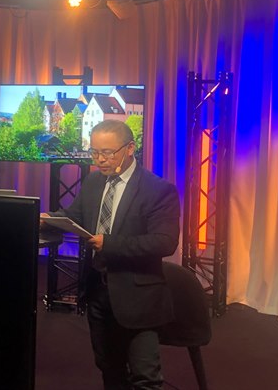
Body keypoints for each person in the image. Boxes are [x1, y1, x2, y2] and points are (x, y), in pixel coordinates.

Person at [42, 119, 180, 390]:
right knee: (109, 369)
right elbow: (74, 216)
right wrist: (46, 219)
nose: (100, 160)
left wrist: (110, 244)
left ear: (130, 149)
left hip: (138, 297)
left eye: (107, 152)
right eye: (94, 152)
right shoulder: (94, 181)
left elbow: (165, 243)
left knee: (145, 378)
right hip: (98, 291)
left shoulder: (158, 190)